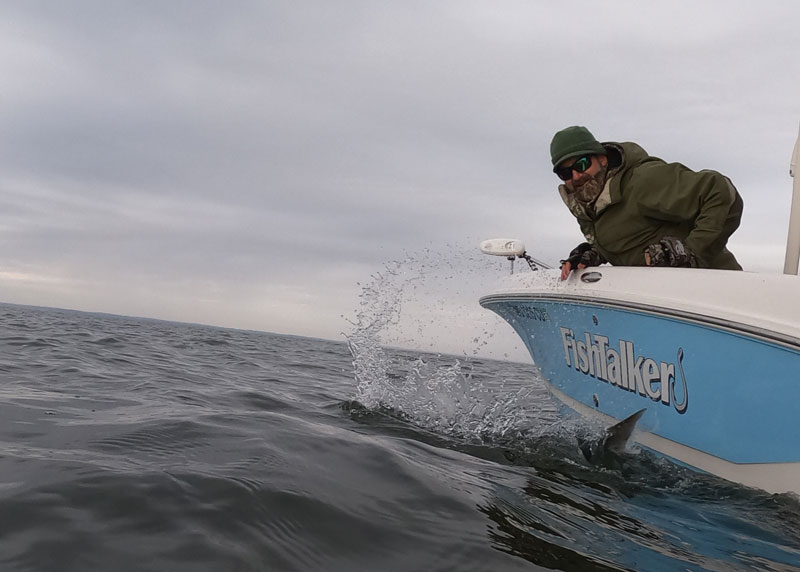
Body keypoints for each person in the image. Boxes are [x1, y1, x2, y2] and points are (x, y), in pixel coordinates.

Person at [551, 126, 743, 280]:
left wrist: (692, 251)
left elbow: (719, 190)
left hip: (717, 295)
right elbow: (630, 235)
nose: (576, 176)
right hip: (661, 301)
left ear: (602, 159)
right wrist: (593, 253)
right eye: (565, 173)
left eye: (582, 164)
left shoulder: (642, 181)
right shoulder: (589, 207)